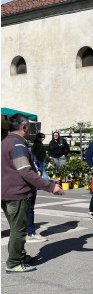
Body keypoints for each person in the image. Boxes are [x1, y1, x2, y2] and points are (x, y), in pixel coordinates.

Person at [1, 113, 64, 273]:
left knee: (16, 228)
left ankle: (20, 256)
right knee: (19, 230)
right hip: (18, 194)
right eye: (29, 127)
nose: (30, 130)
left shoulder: (5, 142)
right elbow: (25, 172)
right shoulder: (18, 145)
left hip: (7, 192)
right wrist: (51, 186)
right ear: (23, 127)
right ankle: (14, 262)